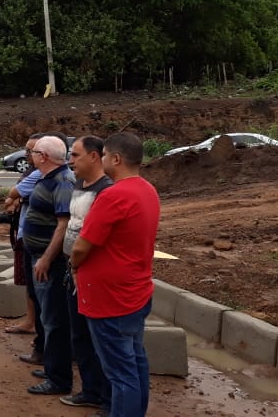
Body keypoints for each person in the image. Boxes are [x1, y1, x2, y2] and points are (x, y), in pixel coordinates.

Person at [71, 132, 160, 417]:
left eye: (106, 155)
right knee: (135, 363)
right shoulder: (147, 190)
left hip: (110, 299)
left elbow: (83, 245)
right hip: (135, 292)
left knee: (121, 373)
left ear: (117, 159)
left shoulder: (113, 195)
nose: (103, 158)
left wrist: (73, 265)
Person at [60, 135, 112, 411]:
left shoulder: (106, 190)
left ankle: (107, 398)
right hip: (73, 270)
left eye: (76, 155)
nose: (71, 161)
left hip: (90, 274)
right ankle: (90, 390)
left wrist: (79, 265)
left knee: (98, 339)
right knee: (79, 335)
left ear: (94, 156)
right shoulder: (80, 184)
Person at [24, 135, 75, 396]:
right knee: (48, 316)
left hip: (50, 263)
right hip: (40, 258)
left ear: (43, 157)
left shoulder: (63, 182)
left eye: (33, 152)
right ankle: (52, 366)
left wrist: (45, 258)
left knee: (55, 320)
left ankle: (58, 379)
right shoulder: (50, 178)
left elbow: (63, 225)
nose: (30, 155)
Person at [3, 134, 43, 343]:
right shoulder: (31, 170)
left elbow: (14, 193)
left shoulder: (40, 175)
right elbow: (12, 198)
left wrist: (15, 198)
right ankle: (31, 321)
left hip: (32, 235)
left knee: (35, 285)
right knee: (28, 282)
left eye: (32, 151)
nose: (27, 154)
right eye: (27, 150)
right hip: (22, 231)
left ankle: (34, 324)